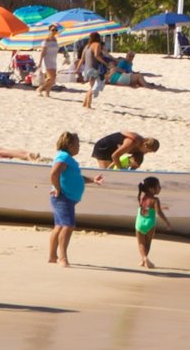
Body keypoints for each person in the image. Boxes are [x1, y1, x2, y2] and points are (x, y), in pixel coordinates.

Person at [47, 130, 86, 266]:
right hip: (63, 197)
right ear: (69, 145)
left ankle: (52, 256)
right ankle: (62, 257)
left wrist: (93, 179)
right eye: (77, 144)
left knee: (59, 226)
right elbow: (54, 173)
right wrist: (57, 189)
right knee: (68, 226)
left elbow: (76, 178)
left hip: (65, 198)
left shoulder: (66, 158)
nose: (79, 147)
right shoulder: (64, 157)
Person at [134, 177, 168, 269]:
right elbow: (158, 212)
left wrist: (161, 208)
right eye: (158, 186)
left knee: (141, 243)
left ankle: (143, 260)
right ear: (151, 189)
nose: (160, 188)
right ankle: (145, 259)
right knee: (148, 243)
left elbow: (146, 208)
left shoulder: (142, 198)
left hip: (140, 222)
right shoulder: (155, 200)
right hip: (150, 223)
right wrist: (167, 222)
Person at [89, 131, 161, 169]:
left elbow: (136, 162)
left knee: (111, 171)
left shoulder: (141, 149)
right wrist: (121, 170)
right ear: (145, 145)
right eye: (148, 151)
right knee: (105, 172)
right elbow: (115, 156)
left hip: (114, 149)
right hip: (103, 147)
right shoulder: (131, 142)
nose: (147, 153)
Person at [78, 34, 112, 110]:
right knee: (94, 87)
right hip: (93, 68)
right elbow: (97, 56)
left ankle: (85, 103)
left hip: (86, 69)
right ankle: (88, 105)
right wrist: (105, 63)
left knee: (90, 86)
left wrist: (78, 69)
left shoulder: (87, 46)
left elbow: (82, 59)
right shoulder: (97, 45)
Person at [36, 25, 61, 96]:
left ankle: (47, 92)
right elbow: (43, 52)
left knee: (53, 78)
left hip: (53, 60)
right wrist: (40, 62)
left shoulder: (55, 40)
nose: (54, 31)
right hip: (47, 60)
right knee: (50, 78)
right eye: (53, 30)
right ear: (49, 30)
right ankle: (40, 88)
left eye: (56, 30)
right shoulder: (46, 40)